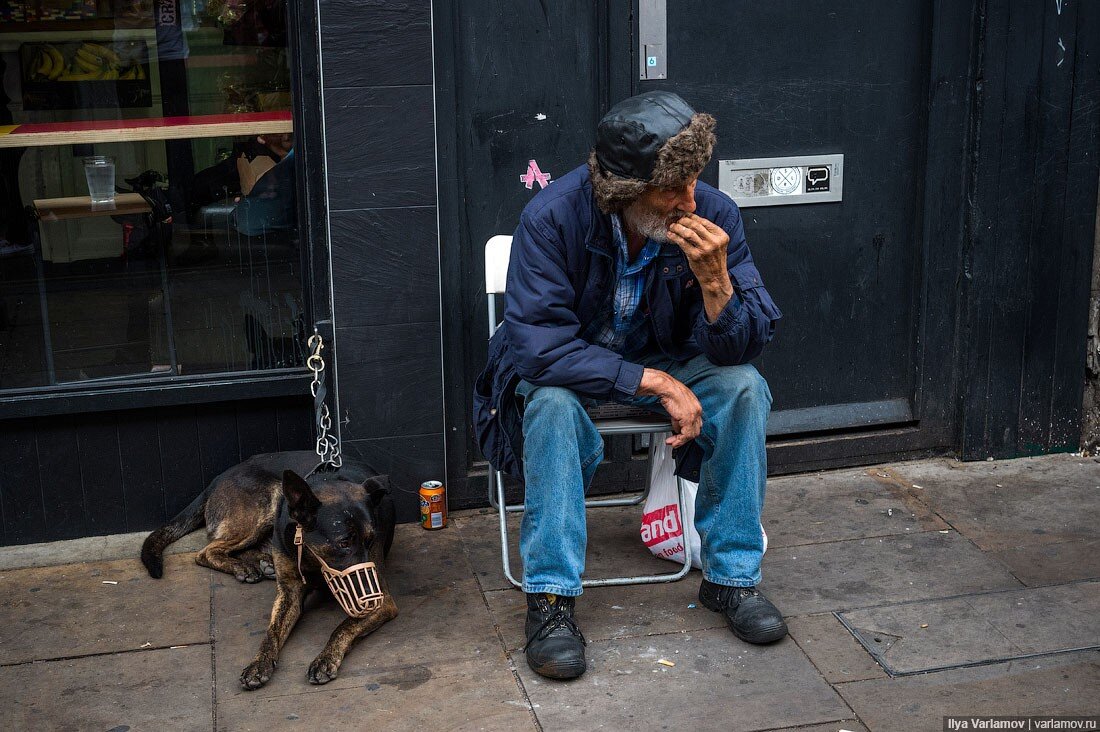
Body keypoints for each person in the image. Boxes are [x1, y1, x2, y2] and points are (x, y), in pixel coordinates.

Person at [473, 91, 785, 681]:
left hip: (668, 358)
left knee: (744, 387)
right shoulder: (552, 216)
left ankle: (731, 579)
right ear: (625, 192)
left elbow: (739, 347)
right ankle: (551, 601)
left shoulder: (714, 214)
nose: (690, 200)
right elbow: (539, 350)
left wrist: (717, 284)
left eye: (694, 180)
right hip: (571, 368)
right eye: (672, 189)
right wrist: (655, 383)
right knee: (552, 408)